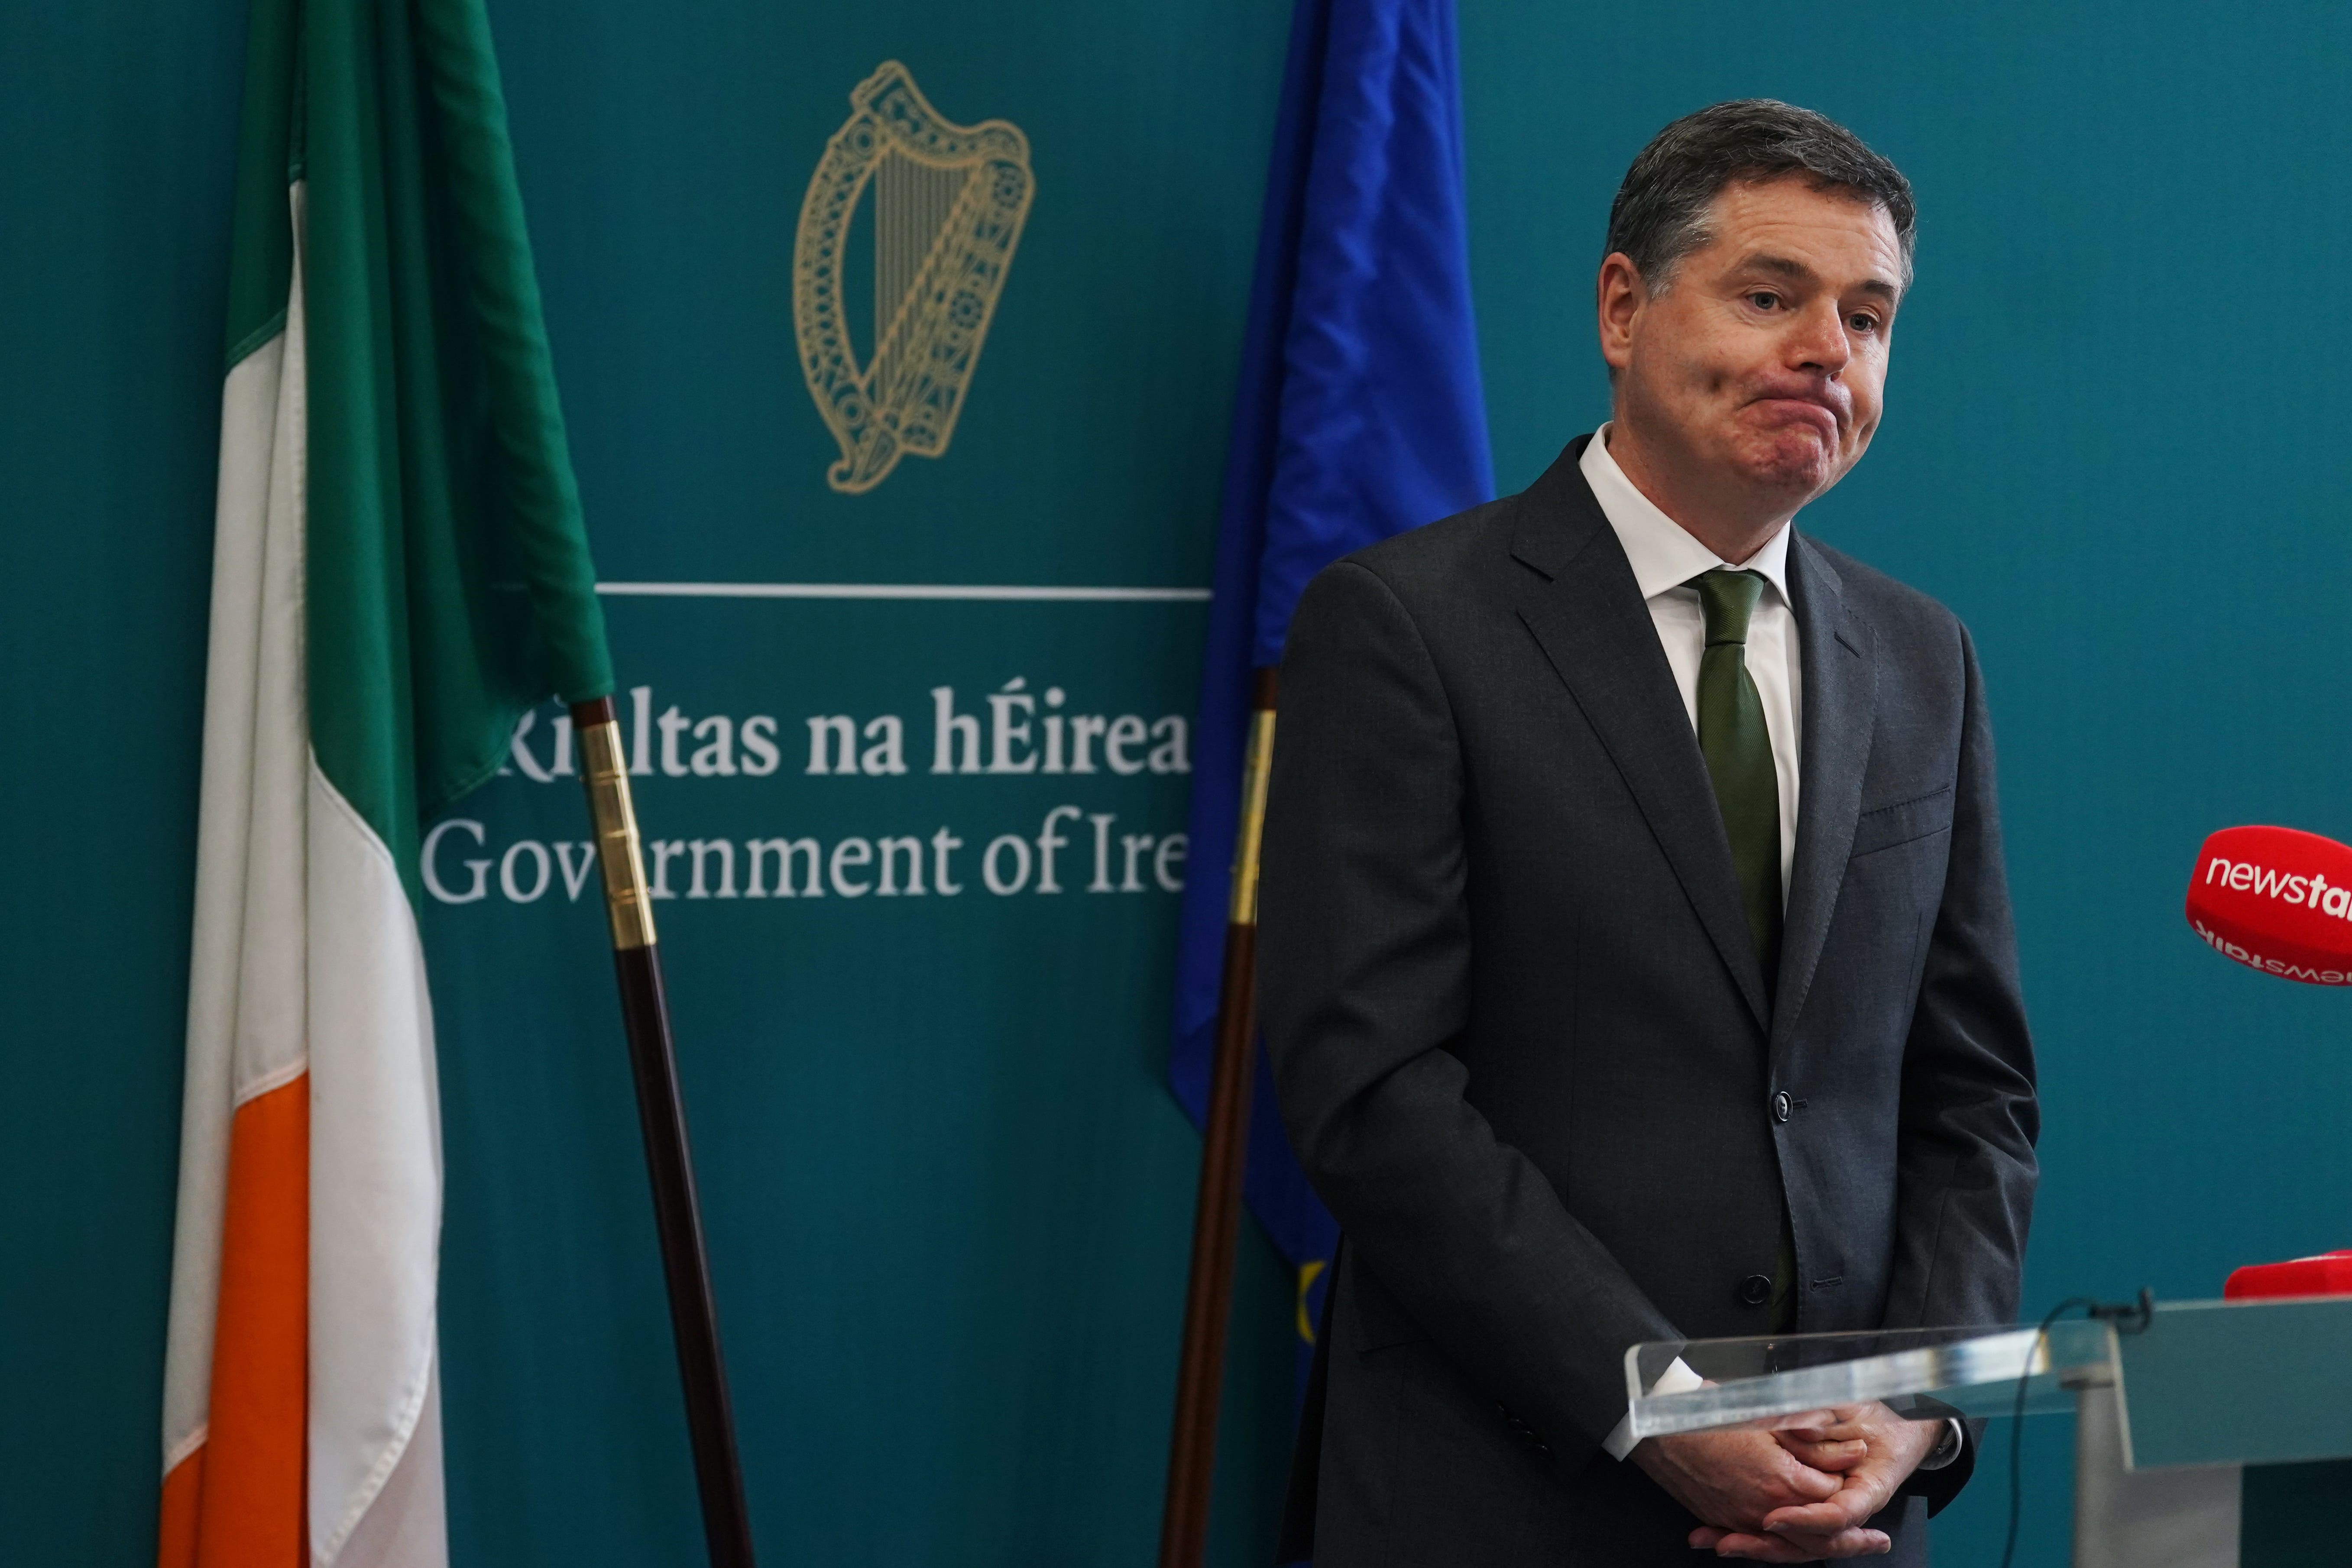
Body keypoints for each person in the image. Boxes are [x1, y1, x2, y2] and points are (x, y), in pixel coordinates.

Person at [1259, 100, 2041, 1565]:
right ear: (1624, 307)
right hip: (1507, 1497)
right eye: (1771, 296)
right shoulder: (1409, 627)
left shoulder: (1926, 657)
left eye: (1868, 318)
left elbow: (1973, 1097)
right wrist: (1658, 1402)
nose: (1829, 350)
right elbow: (1372, 1088)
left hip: (1837, 1519)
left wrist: (1916, 1409)